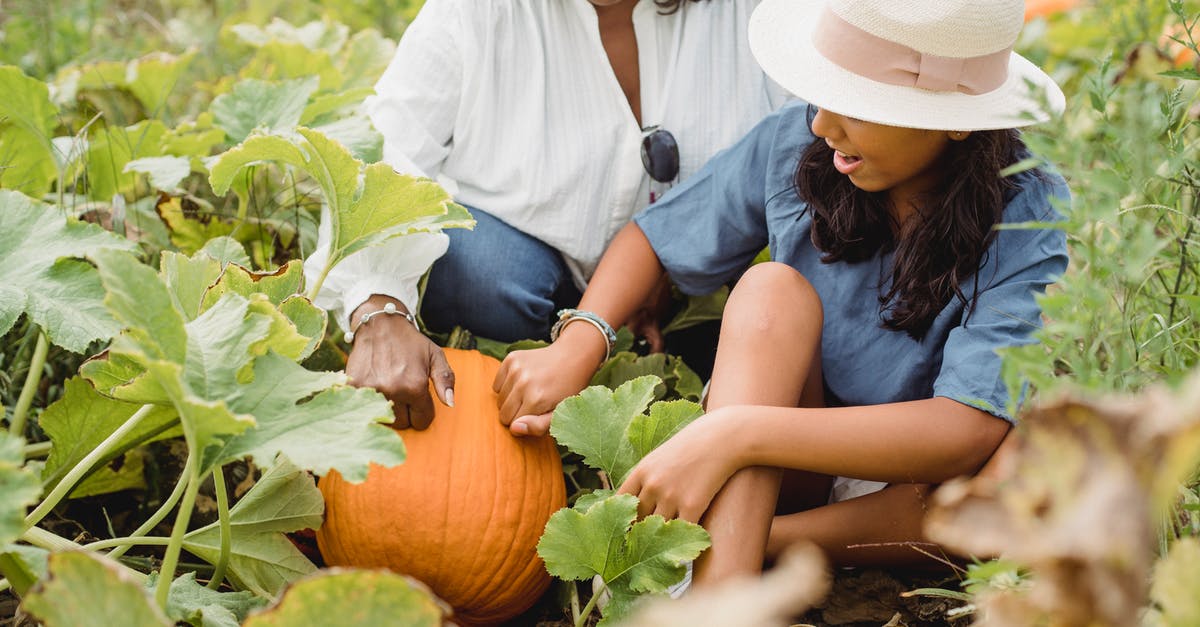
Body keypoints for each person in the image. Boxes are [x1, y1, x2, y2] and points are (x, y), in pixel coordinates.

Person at [494, 0, 1069, 587]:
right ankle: (720, 598)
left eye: (859, 105)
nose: (822, 125)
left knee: (1024, 464)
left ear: (958, 119)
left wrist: (734, 432)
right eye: (825, 93)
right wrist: (581, 339)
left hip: (918, 493)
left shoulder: (1027, 213)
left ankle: (748, 544)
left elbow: (964, 431)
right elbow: (654, 237)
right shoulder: (798, 145)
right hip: (791, 456)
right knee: (772, 290)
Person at [303, 0, 790, 429]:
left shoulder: (761, 15)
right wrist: (377, 305)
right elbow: (389, 148)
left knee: (757, 310)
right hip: (525, 280)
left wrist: (674, 257)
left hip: (693, 293)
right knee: (476, 270)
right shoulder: (474, 11)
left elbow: (813, 154)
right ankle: (539, 383)